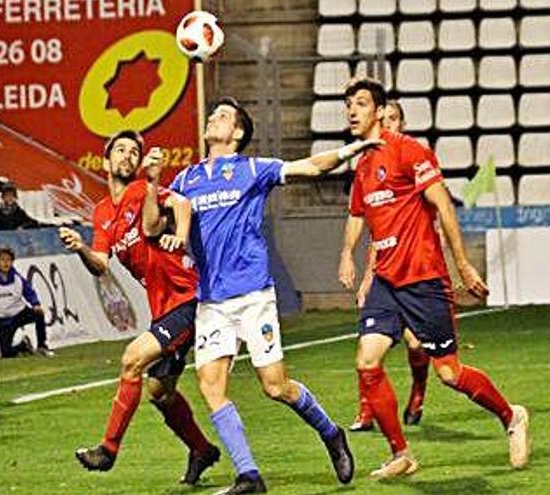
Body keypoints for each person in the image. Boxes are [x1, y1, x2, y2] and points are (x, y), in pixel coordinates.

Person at [168, 97, 378, 494]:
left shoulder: (252, 169)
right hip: (211, 301)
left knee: (275, 387)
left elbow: (311, 166)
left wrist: (351, 149)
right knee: (210, 386)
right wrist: (151, 185)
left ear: (239, 133)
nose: (214, 118)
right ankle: (249, 475)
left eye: (223, 116)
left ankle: (331, 433)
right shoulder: (187, 179)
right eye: (213, 114)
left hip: (252, 296)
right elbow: (155, 217)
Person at [337, 77, 529, 479]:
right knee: (367, 361)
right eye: (348, 104)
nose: (351, 111)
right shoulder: (364, 164)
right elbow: (358, 214)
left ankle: (512, 416)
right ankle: (401, 453)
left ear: (378, 110)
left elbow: (442, 203)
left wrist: (463, 264)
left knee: (449, 373)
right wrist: (347, 256)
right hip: (387, 281)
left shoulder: (409, 150)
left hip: (424, 279)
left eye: (359, 103)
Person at [59, 130, 221, 486]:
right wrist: (81, 248)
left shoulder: (139, 191)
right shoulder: (102, 212)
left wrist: (179, 232)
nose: (128, 155)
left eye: (134, 151)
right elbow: (100, 265)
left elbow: (180, 202)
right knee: (160, 393)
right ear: (106, 161)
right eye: (120, 150)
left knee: (132, 359)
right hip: (163, 307)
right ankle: (201, 450)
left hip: (187, 297)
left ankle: (108, 449)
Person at [350, 99, 432, 432]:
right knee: (367, 350)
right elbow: (375, 230)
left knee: (417, 345)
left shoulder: (412, 160)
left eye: (393, 119)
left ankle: (418, 391)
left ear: (402, 124)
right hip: (385, 273)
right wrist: (366, 276)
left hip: (416, 271)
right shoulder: (367, 167)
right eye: (383, 119)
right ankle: (366, 411)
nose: (388, 124)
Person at [0, 247, 53, 358]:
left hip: (19, 313)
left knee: (39, 314)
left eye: (9, 260)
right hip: (4, 320)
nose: (6, 263)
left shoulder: (17, 278)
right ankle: (23, 346)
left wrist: (35, 304)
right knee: (6, 353)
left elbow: (28, 291)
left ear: (12, 262)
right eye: (2, 260)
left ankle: (42, 346)